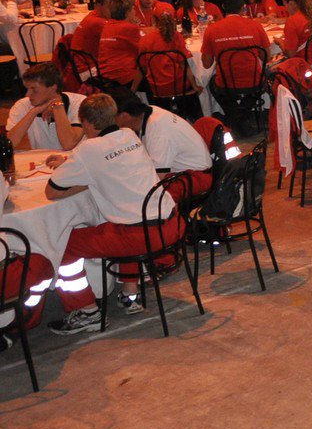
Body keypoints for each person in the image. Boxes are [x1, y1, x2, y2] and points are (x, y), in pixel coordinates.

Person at [44, 94, 176, 335]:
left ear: (84, 123)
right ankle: (129, 296)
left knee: (61, 245)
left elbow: (52, 192)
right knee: (121, 218)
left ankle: (86, 310)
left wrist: (84, 177)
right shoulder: (129, 135)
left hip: (140, 235)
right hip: (172, 224)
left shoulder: (88, 149)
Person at [110, 88, 210, 184]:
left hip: (195, 176)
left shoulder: (157, 130)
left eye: (112, 117)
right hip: (188, 169)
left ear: (124, 116)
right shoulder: (151, 111)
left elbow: (158, 179)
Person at [200, 0, 272, 89]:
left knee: (210, 83)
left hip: (225, 85)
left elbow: (206, 64)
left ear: (223, 6)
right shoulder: (256, 26)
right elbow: (266, 57)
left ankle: (230, 104)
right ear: (243, 7)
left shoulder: (211, 29)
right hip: (255, 82)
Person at [6, 63, 84, 151]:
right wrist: (34, 112)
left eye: (34, 89)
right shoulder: (22, 105)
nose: (27, 94)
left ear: (53, 88)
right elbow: (8, 144)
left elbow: (68, 144)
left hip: (75, 160)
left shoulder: (80, 103)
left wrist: (58, 107)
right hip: (41, 161)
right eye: (27, 89)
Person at [95, 0, 143, 90]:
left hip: (105, 75)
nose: (135, 12)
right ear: (128, 12)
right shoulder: (130, 28)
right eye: (133, 9)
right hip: (123, 77)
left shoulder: (107, 26)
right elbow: (146, 47)